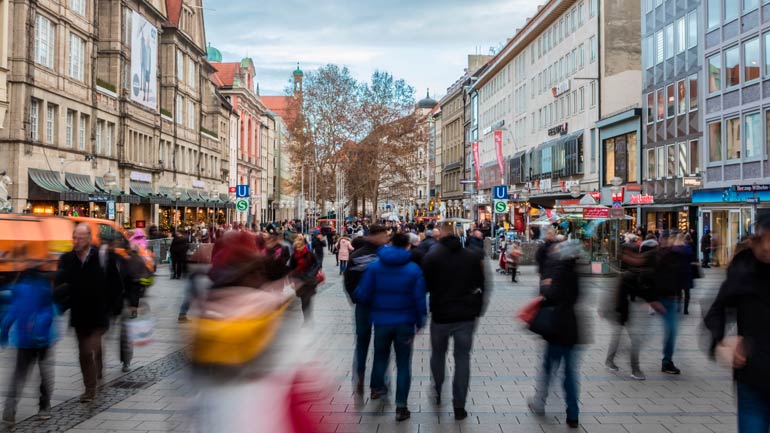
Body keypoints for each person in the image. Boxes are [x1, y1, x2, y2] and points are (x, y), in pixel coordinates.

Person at [704, 214, 770, 433]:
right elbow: (716, 310)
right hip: (752, 374)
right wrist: (722, 340)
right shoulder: (743, 273)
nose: (768, 247)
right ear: (754, 240)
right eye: (764, 240)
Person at [354, 233, 426, 421]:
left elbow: (363, 293)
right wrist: (420, 321)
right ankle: (401, 406)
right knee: (403, 364)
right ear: (408, 247)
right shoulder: (413, 269)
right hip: (405, 323)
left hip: (381, 321)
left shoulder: (375, 267)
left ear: (391, 244)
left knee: (380, 357)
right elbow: (419, 299)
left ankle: (379, 389)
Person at [54, 223, 125, 402]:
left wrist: (113, 308)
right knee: (83, 352)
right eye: (74, 237)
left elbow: (116, 284)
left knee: (88, 349)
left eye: (80, 238)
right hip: (79, 313)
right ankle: (92, 381)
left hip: (99, 312)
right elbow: (59, 284)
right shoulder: (67, 259)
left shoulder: (101, 257)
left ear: (88, 238)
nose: (76, 241)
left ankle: (90, 388)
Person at [422, 224, 486, 420]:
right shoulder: (472, 256)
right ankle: (460, 405)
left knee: (438, 355)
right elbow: (483, 285)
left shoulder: (432, 257)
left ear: (440, 235)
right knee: (462, 359)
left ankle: (438, 388)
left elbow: (424, 285)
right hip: (466, 316)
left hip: (441, 315)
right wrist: (477, 309)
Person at [528, 240, 584, 429]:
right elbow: (576, 297)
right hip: (572, 328)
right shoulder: (575, 272)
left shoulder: (559, 270)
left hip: (556, 327)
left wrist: (545, 285)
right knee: (569, 374)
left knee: (548, 368)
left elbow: (550, 295)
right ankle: (573, 414)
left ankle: (539, 402)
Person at [1, 266, 56, 424]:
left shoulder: (18, 289)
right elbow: (49, 311)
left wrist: (4, 332)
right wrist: (41, 325)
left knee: (18, 375)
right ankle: (44, 406)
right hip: (41, 339)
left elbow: (12, 312)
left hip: (25, 339)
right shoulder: (44, 288)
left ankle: (9, 410)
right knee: (43, 373)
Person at [343, 224, 388, 395]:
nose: (386, 238)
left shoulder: (357, 255)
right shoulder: (384, 255)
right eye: (384, 235)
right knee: (378, 345)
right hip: (379, 306)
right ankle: (375, 384)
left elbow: (348, 281)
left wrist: (355, 297)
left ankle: (362, 376)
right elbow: (349, 280)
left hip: (365, 305)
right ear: (375, 236)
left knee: (363, 343)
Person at [654, 234, 688, 375]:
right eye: (665, 239)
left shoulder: (676, 256)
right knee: (644, 335)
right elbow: (649, 277)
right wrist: (651, 299)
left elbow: (682, 275)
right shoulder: (656, 257)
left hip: (671, 299)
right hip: (659, 298)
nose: (668, 242)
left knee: (672, 330)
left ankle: (667, 361)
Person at [289, 235, 320, 324]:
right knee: (304, 301)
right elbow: (291, 269)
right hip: (299, 281)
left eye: (299, 246)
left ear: (303, 246)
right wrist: (291, 281)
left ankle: (308, 320)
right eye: (296, 247)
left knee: (307, 300)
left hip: (310, 281)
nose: (298, 249)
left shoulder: (310, 254)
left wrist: (311, 273)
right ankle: (307, 318)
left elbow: (317, 265)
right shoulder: (294, 256)